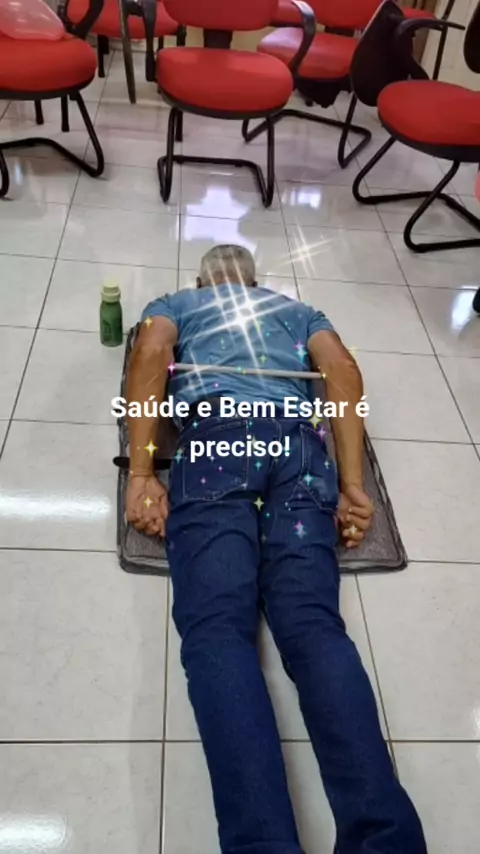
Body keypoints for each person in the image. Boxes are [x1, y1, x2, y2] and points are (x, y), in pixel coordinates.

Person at [126, 245, 427, 854]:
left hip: (218, 445)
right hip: (300, 453)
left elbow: (151, 354)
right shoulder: (300, 311)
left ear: (202, 282)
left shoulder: (176, 304)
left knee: (218, 631)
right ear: (256, 282)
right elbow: (342, 371)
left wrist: (140, 474)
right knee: (314, 627)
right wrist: (352, 485)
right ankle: (386, 840)